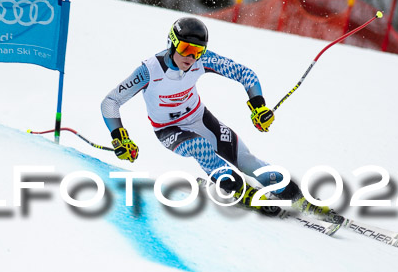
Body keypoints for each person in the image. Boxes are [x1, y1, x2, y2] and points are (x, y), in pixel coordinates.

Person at [100, 17, 334, 220]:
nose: (191, 57)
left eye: (197, 51)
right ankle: (237, 188)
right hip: (168, 130)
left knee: (248, 161)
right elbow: (110, 102)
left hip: (201, 119)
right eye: (185, 48)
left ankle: (298, 197)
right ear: (171, 42)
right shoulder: (149, 70)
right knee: (198, 146)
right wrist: (119, 137)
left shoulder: (202, 61)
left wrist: (258, 106)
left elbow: (245, 73)